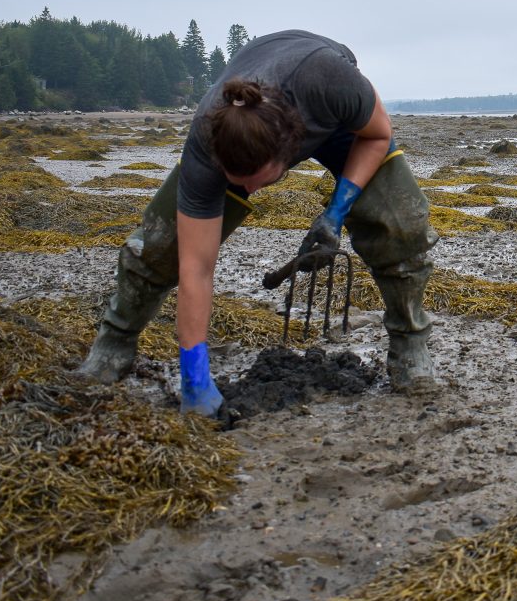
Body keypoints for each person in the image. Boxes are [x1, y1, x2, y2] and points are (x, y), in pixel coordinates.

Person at [76, 30, 439, 414]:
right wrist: (194, 380)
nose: (249, 190)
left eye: (257, 180)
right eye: (237, 182)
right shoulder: (207, 142)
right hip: (247, 128)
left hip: (332, 119)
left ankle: (409, 343)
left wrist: (335, 213)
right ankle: (114, 342)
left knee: (403, 224)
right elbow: (195, 268)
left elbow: (378, 133)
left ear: (291, 153)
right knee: (162, 246)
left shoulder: (331, 81)